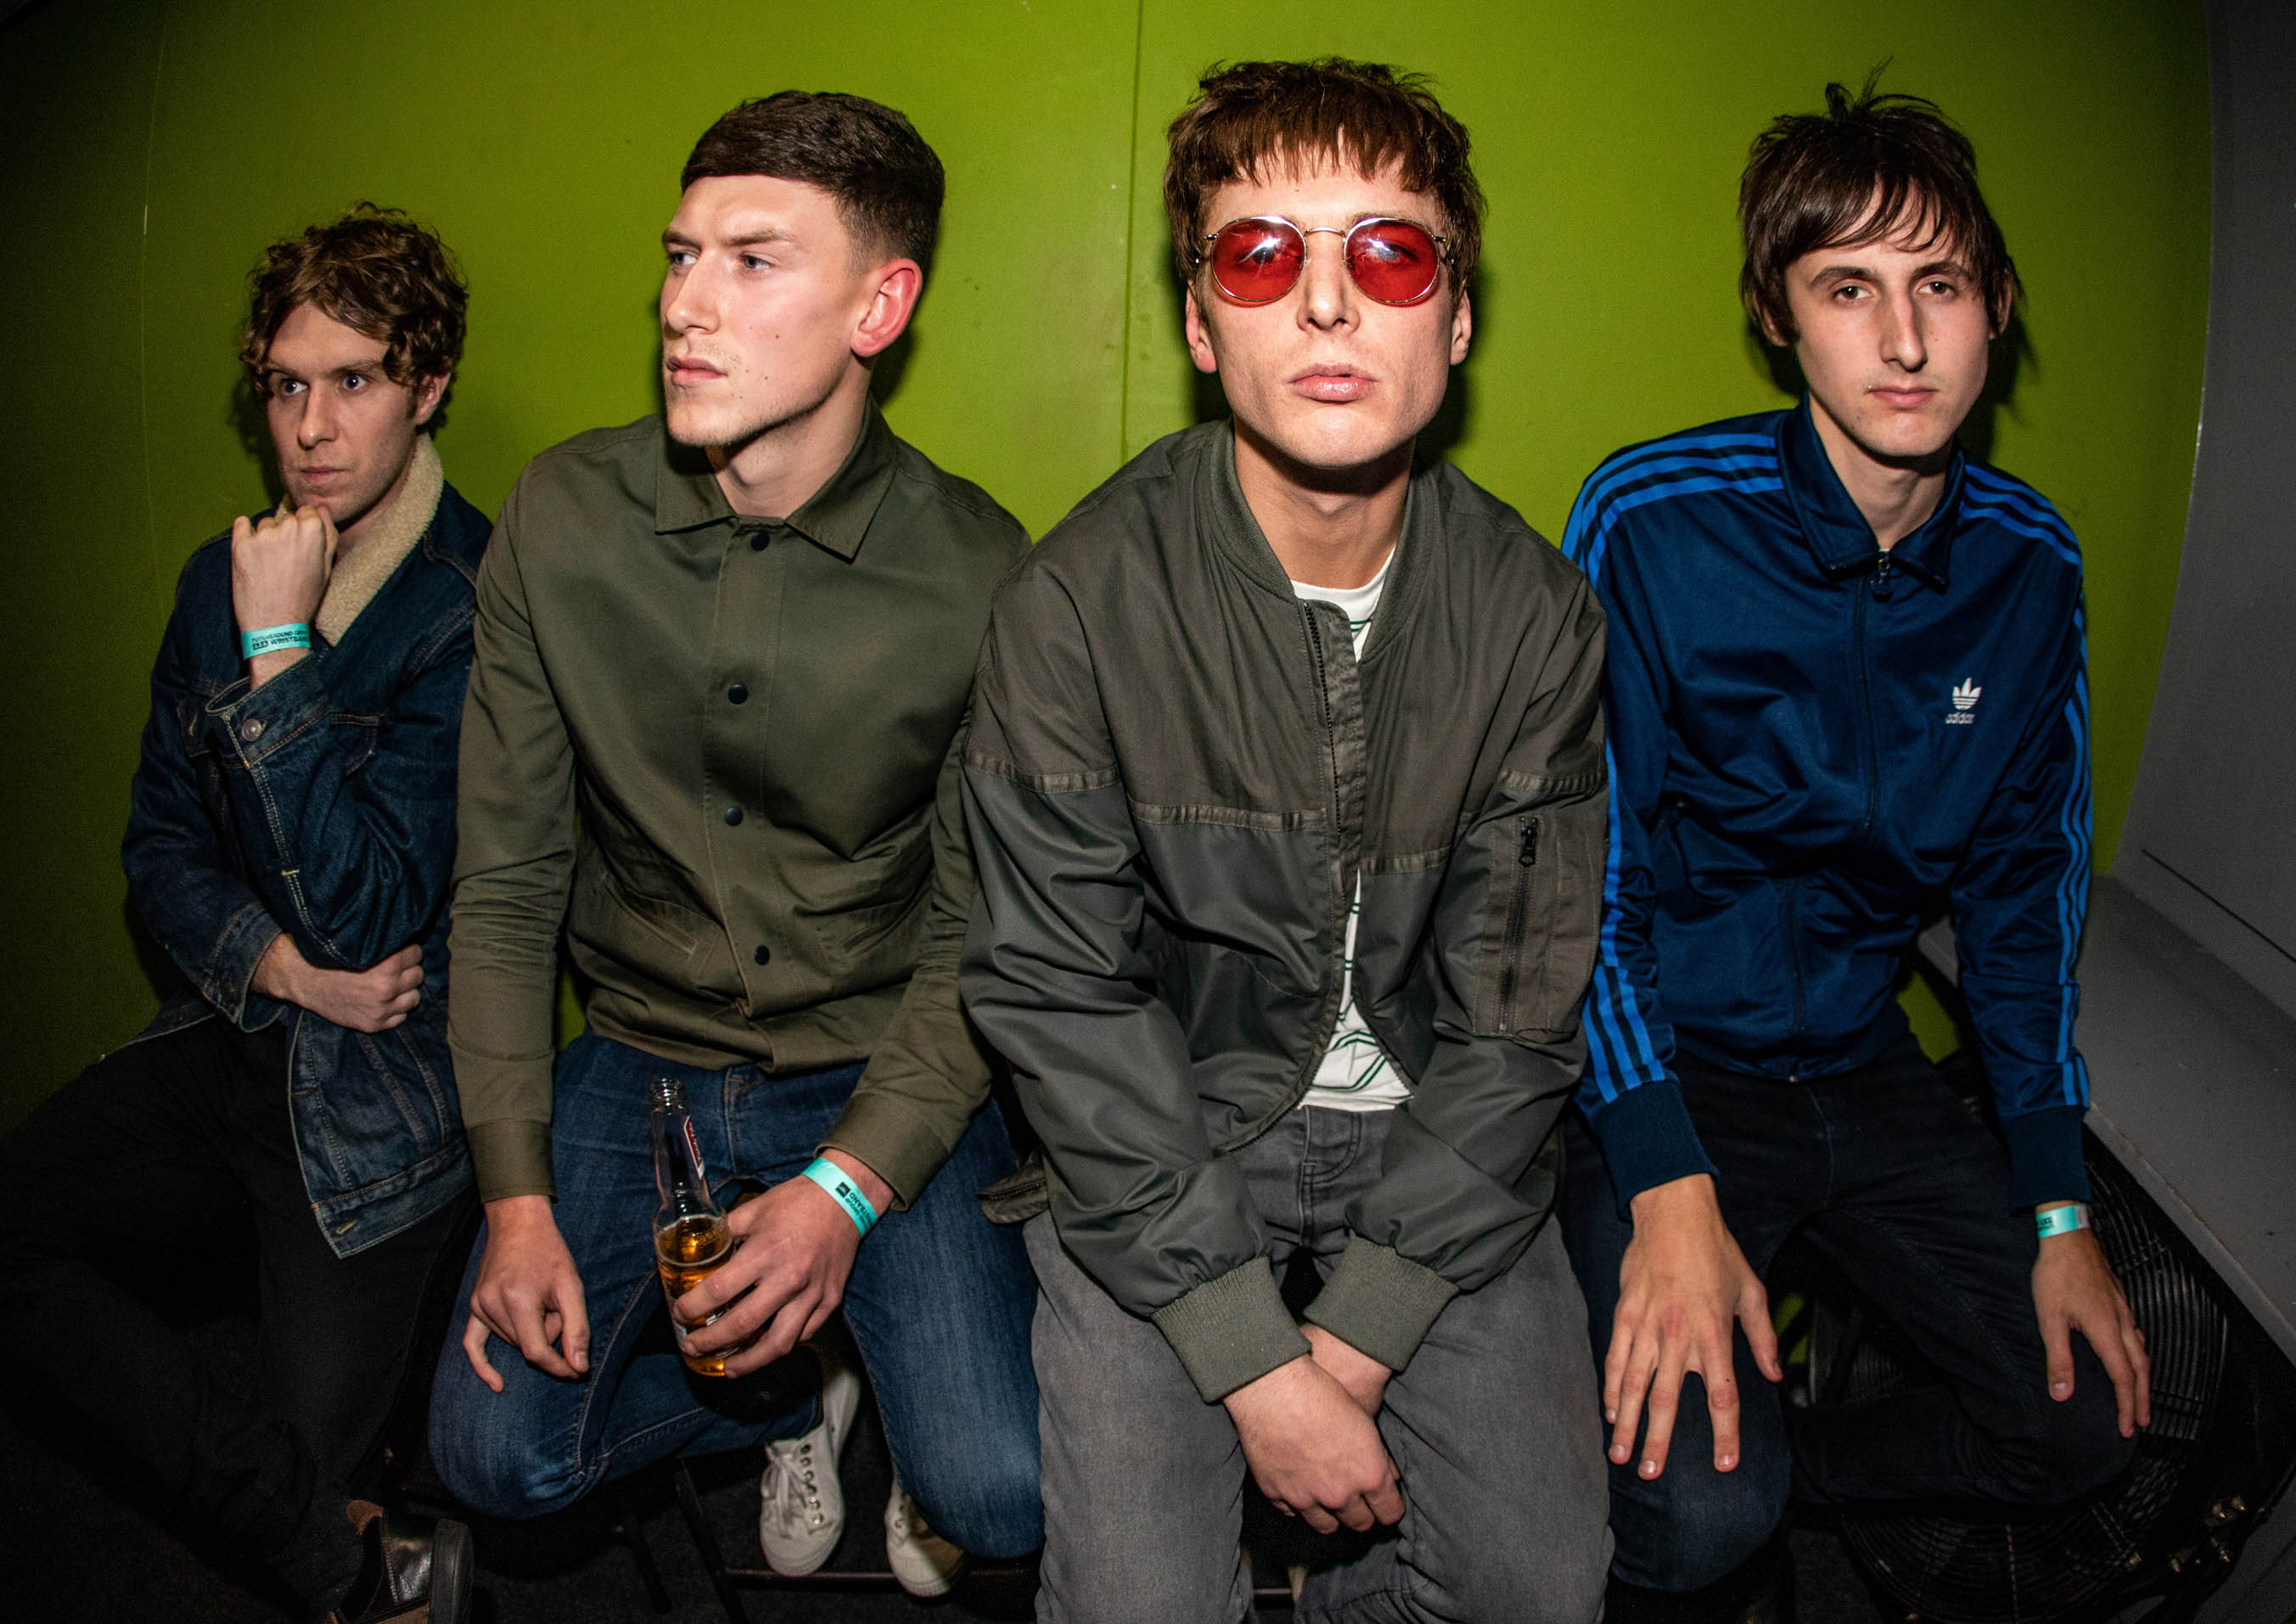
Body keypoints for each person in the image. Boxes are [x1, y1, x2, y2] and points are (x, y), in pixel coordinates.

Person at [958, 57, 1612, 1624]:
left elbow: (1517, 1017)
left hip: (1437, 1138)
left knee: (1537, 1588)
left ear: (1457, 319)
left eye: (1388, 254)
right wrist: (1257, 1363)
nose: (1326, 303)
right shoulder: (1075, 604)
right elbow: (1059, 1000)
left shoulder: (1531, 614)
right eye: (1260, 256)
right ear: (1200, 323)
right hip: (1165, 1134)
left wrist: (1358, 1337)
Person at [427, 91, 1040, 1598]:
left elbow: (985, 935)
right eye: (680, 254)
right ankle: (784, 1402)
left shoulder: (982, 572)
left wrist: (849, 1191)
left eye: (753, 261)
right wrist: (513, 1200)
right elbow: (504, 886)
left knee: (1004, 1495)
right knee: (493, 1460)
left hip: (883, 1061)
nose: (683, 305)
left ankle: (864, 1355)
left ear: (878, 307)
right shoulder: (562, 517)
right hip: (640, 1054)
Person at [1558, 79, 2150, 1615]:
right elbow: (1578, 876)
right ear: (1778, 318)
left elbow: (2022, 894)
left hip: (1862, 1064)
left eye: (1937, 285)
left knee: (2084, 1418)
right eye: (1847, 289)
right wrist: (1663, 1180)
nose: (1901, 340)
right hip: (1665, 1064)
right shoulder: (1653, 517)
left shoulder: (2028, 564)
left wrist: (2058, 1206)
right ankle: (1683, 1497)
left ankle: (1788, 1479)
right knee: (1693, 1519)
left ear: (1995, 307)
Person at [0, 205, 487, 1623]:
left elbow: (370, 908)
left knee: (299, 1467)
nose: (312, 428)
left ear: (428, 385)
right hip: (240, 1027)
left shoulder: (475, 601)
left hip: (386, 1089)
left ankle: (341, 1527)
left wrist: (282, 651)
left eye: (355, 381)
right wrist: (276, 967)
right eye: (285, 385)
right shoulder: (212, 584)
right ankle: (356, 1552)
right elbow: (160, 847)